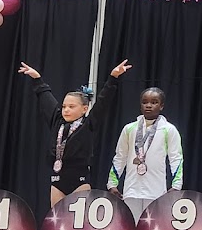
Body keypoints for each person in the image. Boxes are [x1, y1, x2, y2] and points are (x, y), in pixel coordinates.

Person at [18, 59, 131, 207]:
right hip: (57, 180)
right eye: (64, 106)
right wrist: (37, 79)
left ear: (84, 109)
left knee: (78, 225)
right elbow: (46, 99)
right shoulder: (57, 121)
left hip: (80, 180)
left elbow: (103, 102)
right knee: (57, 223)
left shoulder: (88, 124)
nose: (66, 110)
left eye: (71, 106)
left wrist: (113, 78)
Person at [108, 87, 183, 221]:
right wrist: (112, 182)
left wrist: (176, 186)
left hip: (155, 190)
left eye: (154, 102)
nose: (148, 105)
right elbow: (120, 156)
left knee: (151, 228)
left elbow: (176, 158)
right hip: (131, 188)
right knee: (131, 226)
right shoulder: (129, 128)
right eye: (145, 102)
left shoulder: (169, 129)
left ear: (162, 106)